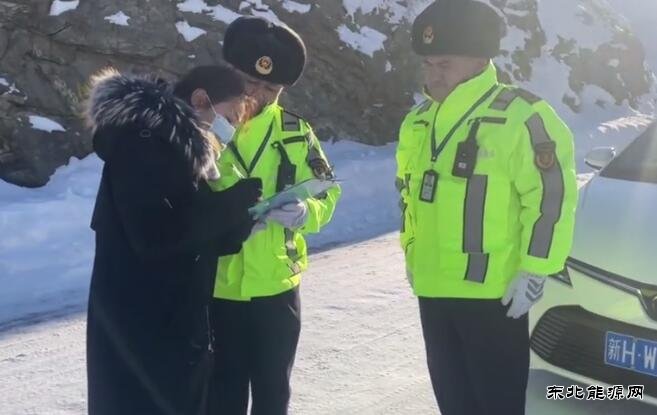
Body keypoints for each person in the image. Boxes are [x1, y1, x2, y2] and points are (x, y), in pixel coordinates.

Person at [396, 1, 578, 414]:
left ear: (480, 60)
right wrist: (411, 253)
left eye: (444, 64)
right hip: (432, 293)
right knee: (453, 404)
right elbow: (408, 195)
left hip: (494, 297)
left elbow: (551, 198)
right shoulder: (418, 122)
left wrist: (536, 268)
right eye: (428, 64)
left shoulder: (522, 117)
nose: (432, 75)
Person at [85, 65, 262, 415]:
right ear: (201, 99)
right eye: (230, 115)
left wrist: (241, 220)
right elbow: (155, 236)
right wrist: (230, 206)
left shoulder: (178, 148)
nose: (231, 128)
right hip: (142, 331)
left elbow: (191, 232)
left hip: (172, 322)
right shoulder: (142, 143)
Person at [207, 16, 341, 415]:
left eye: (271, 88)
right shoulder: (202, 124)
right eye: (249, 82)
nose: (257, 94)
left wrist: (306, 212)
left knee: (273, 393)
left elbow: (327, 190)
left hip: (277, 287)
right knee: (220, 395)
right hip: (216, 286)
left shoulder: (297, 133)